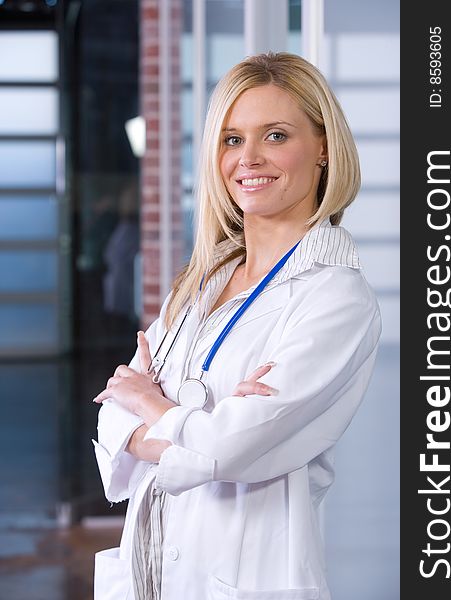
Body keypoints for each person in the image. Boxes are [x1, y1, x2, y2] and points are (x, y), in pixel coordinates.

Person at [92, 51, 382, 600]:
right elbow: (112, 413)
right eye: (231, 139)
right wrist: (199, 427)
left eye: (275, 136)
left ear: (323, 147)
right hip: (148, 576)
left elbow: (230, 448)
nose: (248, 159)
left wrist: (154, 404)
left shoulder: (335, 296)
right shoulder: (201, 282)